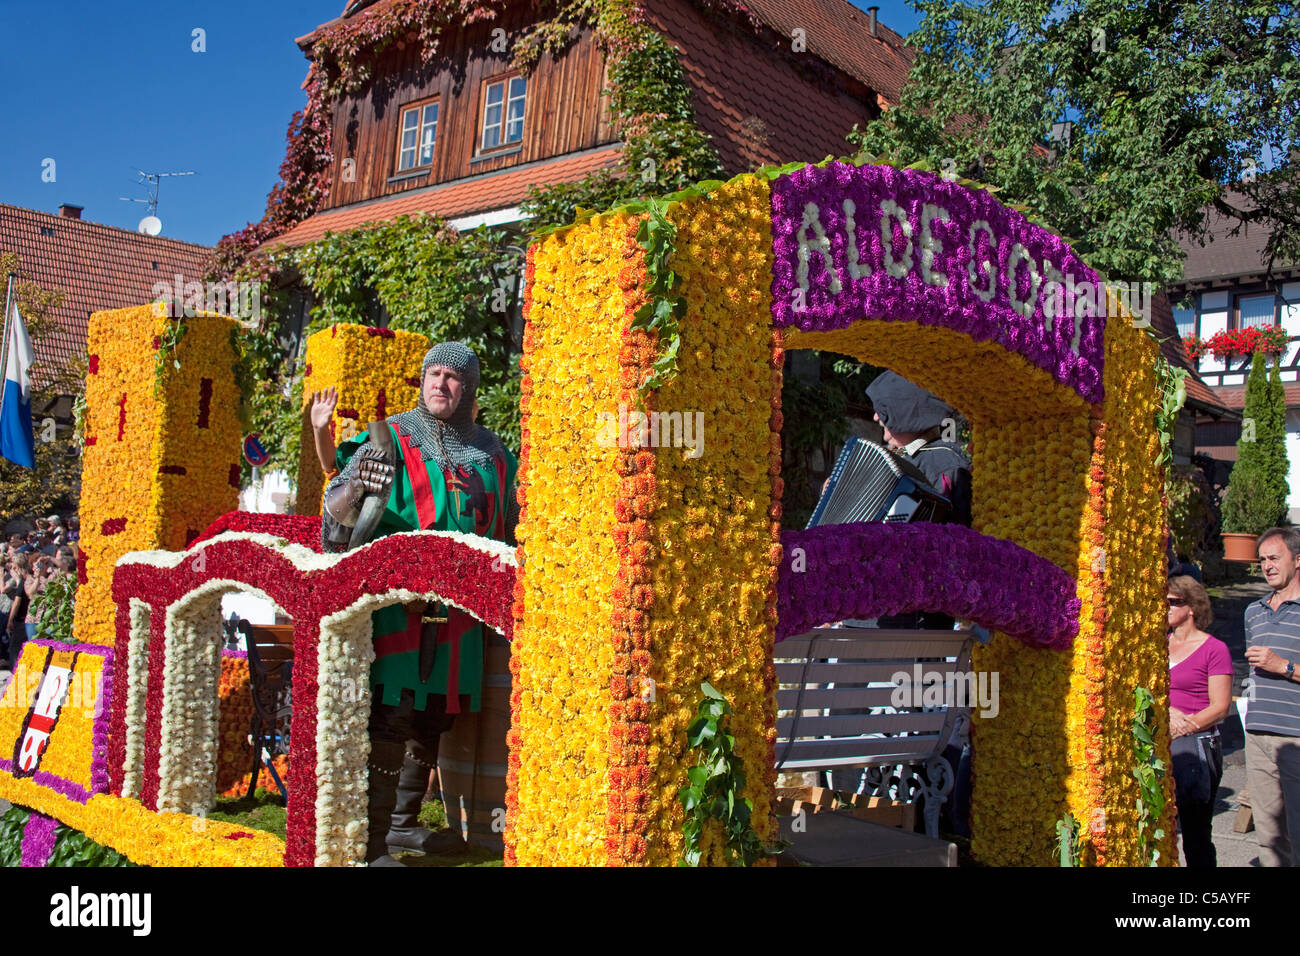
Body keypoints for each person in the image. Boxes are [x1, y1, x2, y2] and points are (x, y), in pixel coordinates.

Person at [322, 341, 517, 866]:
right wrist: (355, 490)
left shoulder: (494, 455)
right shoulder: (393, 438)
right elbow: (337, 510)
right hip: (397, 607)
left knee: (433, 715)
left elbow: (517, 525)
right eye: (433, 374)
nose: (440, 384)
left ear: (470, 388)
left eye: (452, 377)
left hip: (460, 616)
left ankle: (403, 825)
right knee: (391, 712)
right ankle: (370, 840)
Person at [1166, 574, 1232, 866]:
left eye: (1171, 603)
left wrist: (1184, 726)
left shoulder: (1214, 649)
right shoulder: (1157, 644)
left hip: (1196, 745)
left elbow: (1220, 707)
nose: (1163, 608)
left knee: (1195, 834)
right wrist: (1166, 714)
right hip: (1161, 742)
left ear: (1191, 607)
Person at [1244, 526, 1300, 866]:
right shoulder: (1254, 611)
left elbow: (1277, 666)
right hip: (1257, 734)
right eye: (1262, 560)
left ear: (1297, 559)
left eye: (1274, 558)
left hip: (1295, 737)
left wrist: (1284, 666)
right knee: (1268, 838)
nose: (1267, 566)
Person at [864, 371, 972, 527]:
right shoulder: (904, 456)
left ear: (907, 415)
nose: (875, 417)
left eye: (884, 411)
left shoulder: (946, 467)